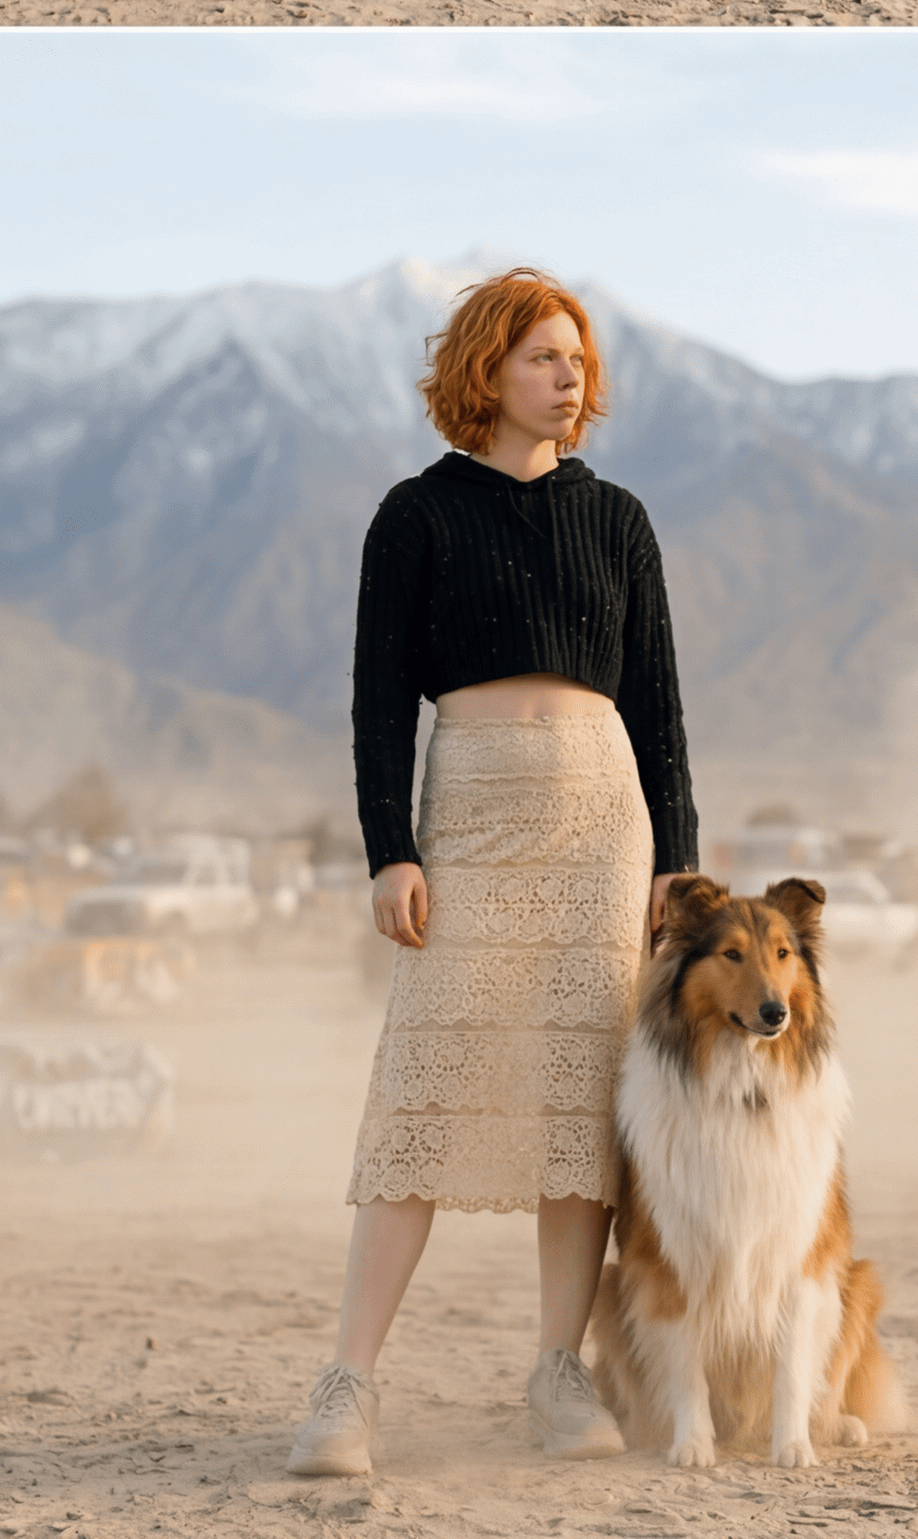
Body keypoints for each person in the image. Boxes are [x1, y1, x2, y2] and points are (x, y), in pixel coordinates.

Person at [290, 270, 696, 1479]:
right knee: (423, 1092)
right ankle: (347, 1386)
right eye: (541, 357)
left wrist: (675, 858)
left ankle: (558, 1372)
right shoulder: (414, 515)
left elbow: (661, 705)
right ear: (486, 373)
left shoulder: (618, 516)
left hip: (600, 822)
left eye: (577, 357)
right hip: (469, 813)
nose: (569, 375)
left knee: (580, 1107)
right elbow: (374, 698)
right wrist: (388, 848)